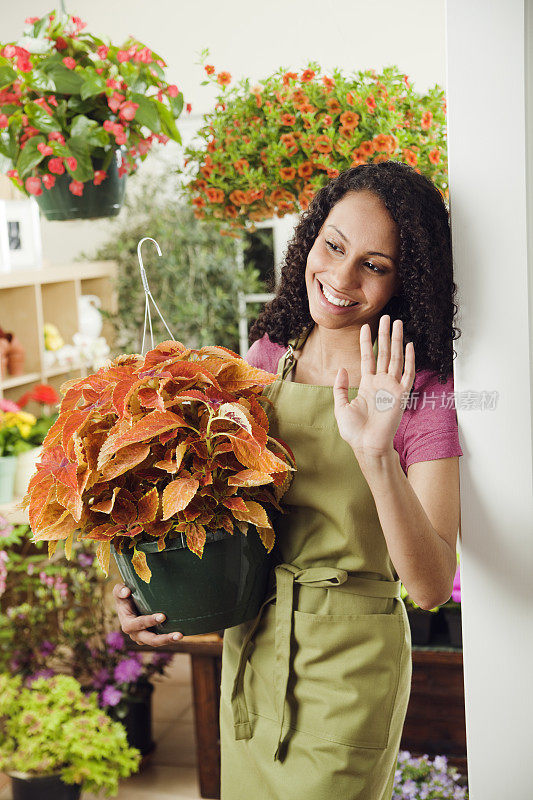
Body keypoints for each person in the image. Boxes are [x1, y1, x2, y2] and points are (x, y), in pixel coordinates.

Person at [113, 161, 463, 799]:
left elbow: (434, 584)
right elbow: (216, 514)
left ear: (404, 280)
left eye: (375, 265)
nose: (341, 277)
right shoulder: (271, 355)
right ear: (311, 237)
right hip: (255, 646)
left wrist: (376, 451)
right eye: (333, 245)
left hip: (349, 672)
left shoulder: (420, 387)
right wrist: (148, 586)